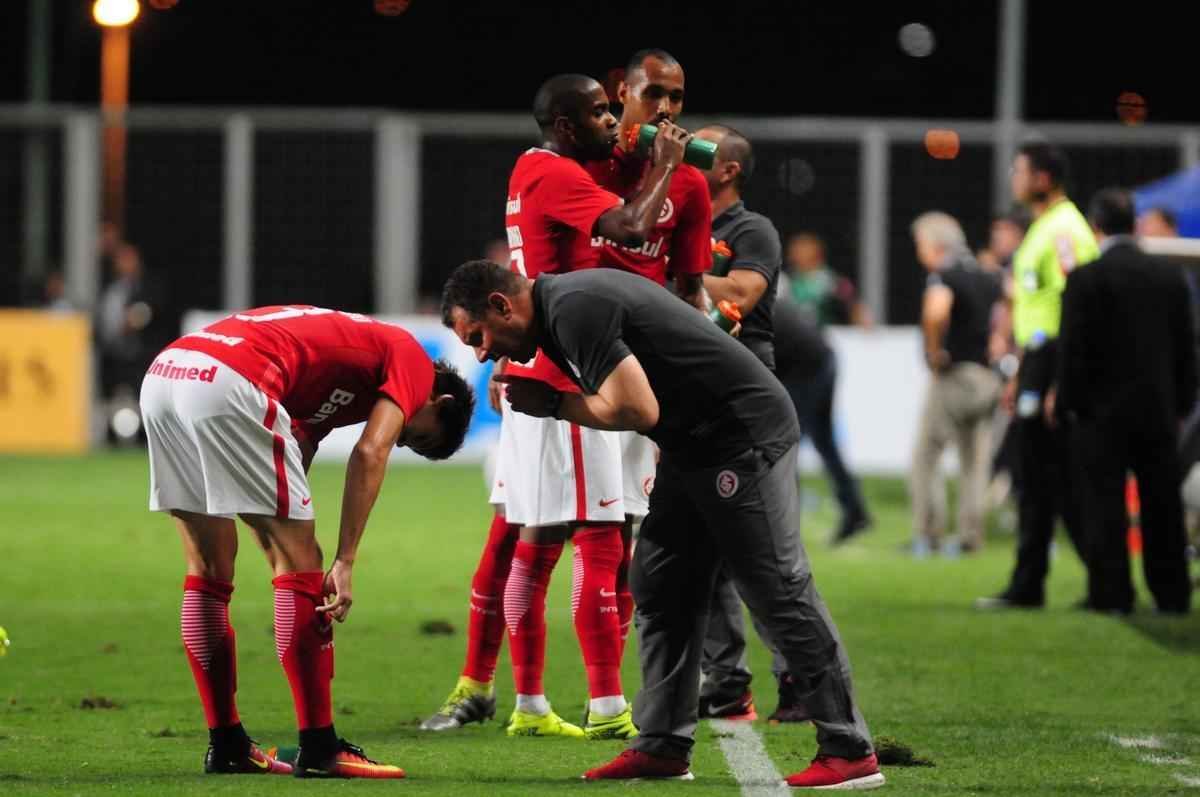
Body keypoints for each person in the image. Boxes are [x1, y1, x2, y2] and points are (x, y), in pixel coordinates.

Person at [443, 262, 882, 789]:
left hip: (740, 435)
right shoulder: (564, 308)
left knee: (776, 586)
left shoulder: (574, 309)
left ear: (501, 304)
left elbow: (637, 408)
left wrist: (556, 404)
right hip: (695, 443)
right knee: (659, 579)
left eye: (478, 336)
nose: (481, 352)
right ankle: (663, 744)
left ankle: (848, 749)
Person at [422, 73, 691, 740]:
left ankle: (527, 698)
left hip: (604, 361)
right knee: (559, 539)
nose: (654, 114)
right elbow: (627, 229)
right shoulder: (575, 173)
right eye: (631, 103)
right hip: (573, 364)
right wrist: (662, 167)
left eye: (674, 101)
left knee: (583, 536)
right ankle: (581, 704)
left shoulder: (599, 168)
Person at [139, 304, 474, 779]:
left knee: (209, 568)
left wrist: (280, 535)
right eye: (416, 439)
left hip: (168, 373)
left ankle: (228, 744)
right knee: (304, 564)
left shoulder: (343, 379)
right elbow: (371, 451)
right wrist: (344, 559)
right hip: (230, 380)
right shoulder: (414, 361)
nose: (401, 440)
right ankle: (321, 747)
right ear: (439, 403)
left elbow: (299, 448)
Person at [1058, 189, 1195, 614]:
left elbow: (1074, 351)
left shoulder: (1085, 279)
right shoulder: (1168, 276)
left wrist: (1072, 403)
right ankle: (1172, 593)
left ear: (1096, 227)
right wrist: (1182, 403)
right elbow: (1185, 349)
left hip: (1101, 414)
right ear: (1134, 225)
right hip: (1157, 411)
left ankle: (1112, 594)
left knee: (1104, 504)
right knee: (1162, 504)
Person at [977, 140, 1099, 610]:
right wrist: (1021, 373)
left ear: (1042, 178)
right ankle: (1042, 582)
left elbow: (1077, 305)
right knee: (1046, 476)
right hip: (1038, 360)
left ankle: (1056, 584)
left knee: (1052, 476)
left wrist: (1054, 380)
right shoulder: (1044, 228)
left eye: (1020, 170)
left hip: (1054, 360)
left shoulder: (1065, 229)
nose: (1014, 178)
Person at [908, 212, 1003, 557]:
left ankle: (928, 533)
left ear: (935, 244)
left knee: (926, 455)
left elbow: (936, 313)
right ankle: (969, 536)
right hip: (986, 377)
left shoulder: (943, 275)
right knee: (974, 461)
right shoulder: (987, 274)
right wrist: (1002, 343)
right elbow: (1011, 303)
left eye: (920, 244)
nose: (919, 251)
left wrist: (933, 352)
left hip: (955, 375)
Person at [783, 232, 873, 328]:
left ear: (816, 253)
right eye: (795, 250)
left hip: (823, 334)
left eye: (802, 249)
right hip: (792, 334)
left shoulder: (831, 281)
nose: (796, 254)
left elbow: (853, 303)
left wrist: (862, 321)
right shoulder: (786, 280)